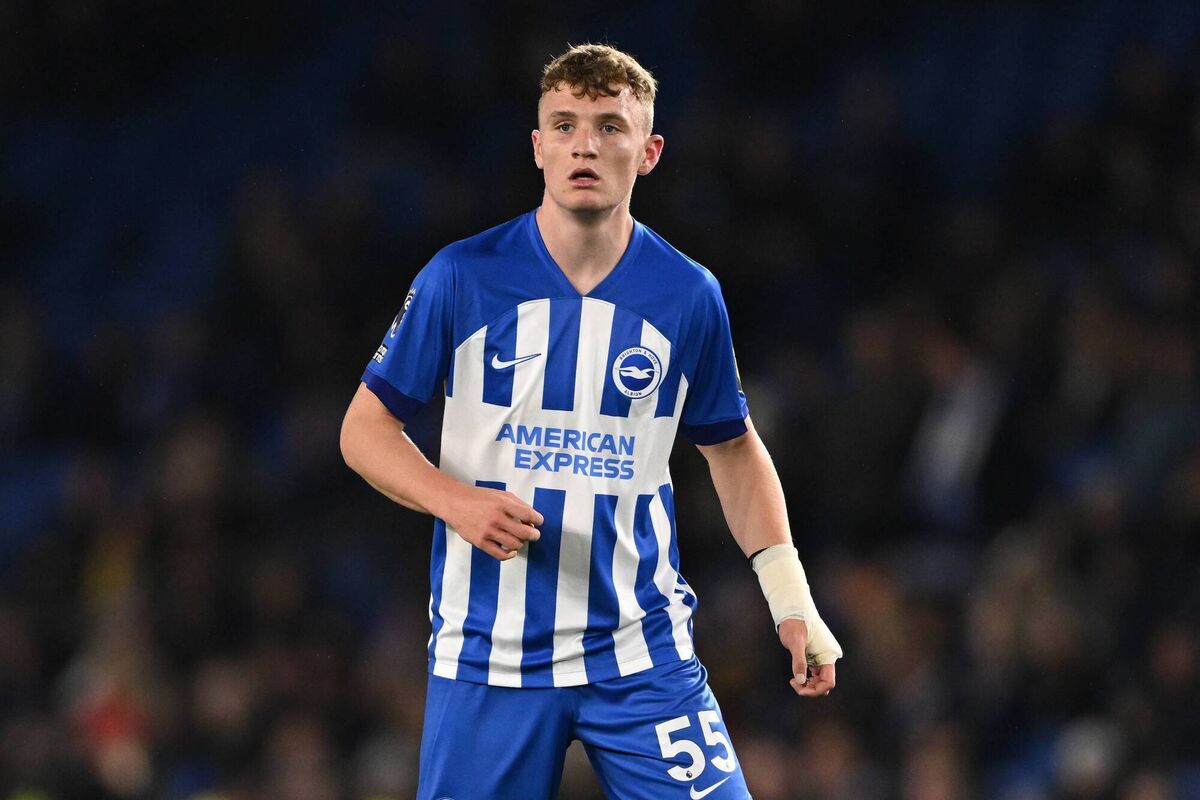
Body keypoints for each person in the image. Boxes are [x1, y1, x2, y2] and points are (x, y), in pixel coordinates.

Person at [340, 43, 842, 800]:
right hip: (490, 657)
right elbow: (364, 429)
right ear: (538, 147)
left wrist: (791, 597)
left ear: (650, 151)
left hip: (640, 656)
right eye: (565, 124)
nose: (585, 143)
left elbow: (733, 451)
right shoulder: (459, 278)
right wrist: (455, 499)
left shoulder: (688, 296)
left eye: (610, 125)